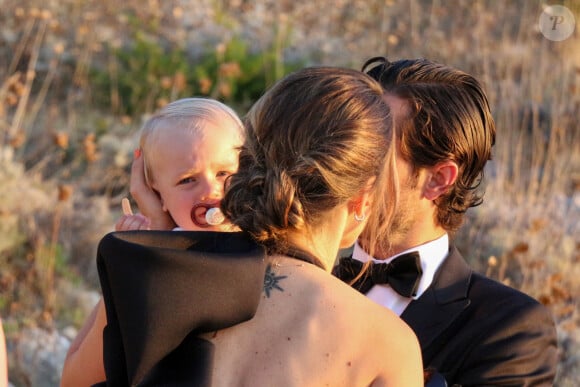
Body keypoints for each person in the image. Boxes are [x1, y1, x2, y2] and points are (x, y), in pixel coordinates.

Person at [68, 66, 425, 386]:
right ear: (362, 197)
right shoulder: (387, 343)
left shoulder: (166, 284)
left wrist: (152, 254)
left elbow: (74, 382)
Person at [334, 57, 559, 386]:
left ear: (438, 179)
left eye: (372, 153)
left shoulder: (510, 328)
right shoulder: (297, 280)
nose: (345, 166)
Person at [61, 97, 245, 386]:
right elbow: (74, 379)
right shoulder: (156, 258)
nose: (212, 190)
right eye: (187, 180)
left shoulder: (267, 244)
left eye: (224, 173)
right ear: (155, 192)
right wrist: (139, 255)